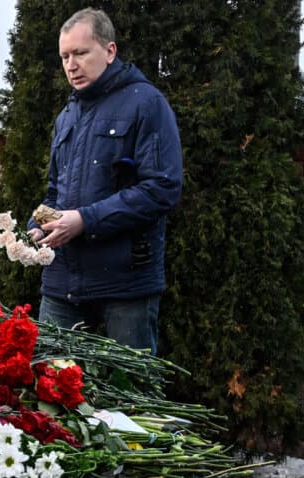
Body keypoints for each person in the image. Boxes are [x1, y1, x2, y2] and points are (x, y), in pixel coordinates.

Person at [28, 8, 183, 355]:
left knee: (130, 387)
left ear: (110, 51)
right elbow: (55, 191)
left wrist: (85, 220)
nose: (71, 65)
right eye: (64, 56)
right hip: (63, 283)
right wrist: (36, 227)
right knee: (48, 381)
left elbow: (161, 188)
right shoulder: (66, 116)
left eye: (81, 53)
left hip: (126, 283)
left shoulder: (147, 104)